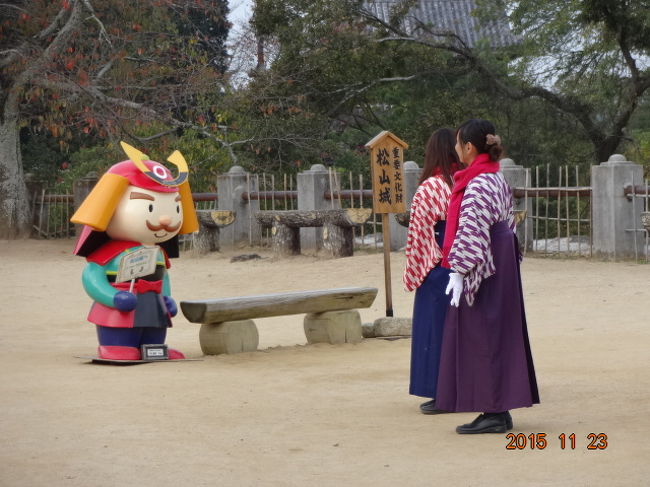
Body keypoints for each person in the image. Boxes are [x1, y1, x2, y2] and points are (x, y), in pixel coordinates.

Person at [436, 119, 540, 433]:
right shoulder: (495, 178)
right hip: (501, 259)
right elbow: (506, 223)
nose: (456, 149)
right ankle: (498, 407)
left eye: (458, 144)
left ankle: (494, 409)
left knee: (483, 333)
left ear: (469, 148)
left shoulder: (478, 182)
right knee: (496, 331)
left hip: (486, 263)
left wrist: (459, 269)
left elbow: (472, 231)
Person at [70, 142, 199, 361]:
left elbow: (163, 276)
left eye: (175, 208)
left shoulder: (157, 252)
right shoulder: (109, 253)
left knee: (154, 330)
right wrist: (113, 297)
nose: (166, 219)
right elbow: (92, 277)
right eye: (150, 207)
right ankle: (115, 346)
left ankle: (155, 347)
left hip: (152, 302)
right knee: (122, 326)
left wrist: (166, 298)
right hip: (121, 305)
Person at [403, 128, 461, 414]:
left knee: (434, 327)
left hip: (436, 259)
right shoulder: (467, 181)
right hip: (465, 258)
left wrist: (419, 266)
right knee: (464, 327)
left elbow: (418, 232)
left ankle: (440, 391)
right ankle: (468, 386)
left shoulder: (429, 187)